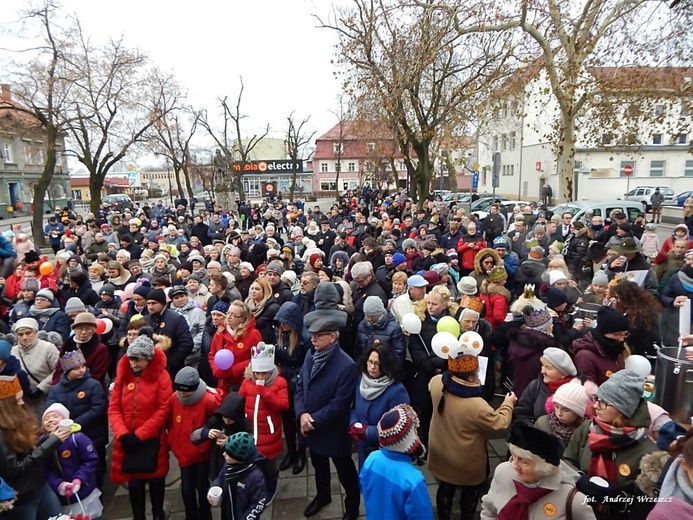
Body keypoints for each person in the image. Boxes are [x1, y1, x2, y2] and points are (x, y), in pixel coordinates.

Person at [428, 345, 516, 520]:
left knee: (445, 489)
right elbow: (500, 423)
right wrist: (508, 403)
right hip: (466, 462)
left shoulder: (437, 382)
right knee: (469, 495)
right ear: (471, 376)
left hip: (441, 452)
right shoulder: (477, 405)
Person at [564, 370, 658, 520]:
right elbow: (566, 462)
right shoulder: (587, 429)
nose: (596, 406)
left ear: (622, 409)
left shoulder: (649, 454)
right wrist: (580, 480)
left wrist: (618, 498)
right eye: (596, 399)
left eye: (604, 402)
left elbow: (645, 505)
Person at [295, 311, 360, 520]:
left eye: (318, 335)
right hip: (310, 428)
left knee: (345, 472)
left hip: (332, 431)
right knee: (318, 466)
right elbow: (300, 386)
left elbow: (339, 404)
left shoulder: (347, 365)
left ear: (332, 337)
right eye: (312, 335)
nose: (312, 339)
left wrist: (311, 421)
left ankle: (352, 506)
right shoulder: (310, 355)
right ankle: (323, 495)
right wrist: (302, 413)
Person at [108, 334, 172, 520]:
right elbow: (114, 408)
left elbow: (163, 409)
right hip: (128, 440)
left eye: (137, 359)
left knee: (155, 481)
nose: (133, 363)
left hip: (152, 440)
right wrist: (122, 434)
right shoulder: (123, 376)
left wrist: (140, 435)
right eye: (131, 359)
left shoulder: (161, 376)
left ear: (148, 359)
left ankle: (158, 514)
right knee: (134, 485)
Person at [481, 420, 596, 520]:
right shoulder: (503, 472)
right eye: (514, 457)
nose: (515, 466)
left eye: (524, 462)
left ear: (544, 468)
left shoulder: (573, 500)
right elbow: (489, 510)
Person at [0, 374, 70, 519]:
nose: (22, 403)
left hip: (40, 486)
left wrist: (50, 438)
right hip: (21, 499)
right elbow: (16, 469)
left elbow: (28, 450)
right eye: (18, 400)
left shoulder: (18, 421)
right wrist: (52, 442)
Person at [45, 349, 108, 487]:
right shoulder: (56, 390)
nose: (81, 370)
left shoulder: (93, 384)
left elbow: (98, 408)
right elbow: (50, 409)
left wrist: (76, 423)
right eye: (76, 368)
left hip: (91, 435)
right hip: (67, 439)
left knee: (94, 468)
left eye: (83, 367)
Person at [359, 404, 433, 520]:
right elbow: (422, 515)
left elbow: (365, 489)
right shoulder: (413, 480)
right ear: (409, 439)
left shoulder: (371, 459)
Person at [407, 285, 459, 447]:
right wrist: (431, 365)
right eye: (428, 302)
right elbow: (415, 348)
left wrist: (442, 364)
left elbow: (455, 349)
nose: (430, 306)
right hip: (424, 376)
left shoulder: (453, 322)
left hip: (447, 375)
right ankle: (428, 445)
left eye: (434, 304)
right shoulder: (420, 321)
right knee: (427, 413)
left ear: (444, 305)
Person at [168, 366, 223, 520]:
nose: (181, 394)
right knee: (186, 490)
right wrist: (172, 441)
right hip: (183, 453)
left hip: (201, 454)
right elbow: (170, 423)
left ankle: (206, 515)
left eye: (185, 391)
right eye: (179, 390)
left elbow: (219, 420)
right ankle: (190, 515)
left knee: (202, 486)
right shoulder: (174, 399)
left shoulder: (208, 400)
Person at [239, 342, 288, 505]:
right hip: (251, 432)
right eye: (257, 373)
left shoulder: (279, 383)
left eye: (264, 373)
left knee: (269, 467)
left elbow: (283, 405)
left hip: (269, 433)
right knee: (253, 466)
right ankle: (256, 490)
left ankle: (270, 489)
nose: (260, 377)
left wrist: (266, 393)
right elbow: (240, 401)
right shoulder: (247, 383)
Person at [349, 344, 410, 469]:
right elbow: (355, 406)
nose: (372, 367)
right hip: (363, 448)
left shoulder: (396, 391)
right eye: (370, 362)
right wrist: (353, 423)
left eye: (377, 364)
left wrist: (367, 432)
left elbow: (399, 427)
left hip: (385, 453)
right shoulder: (361, 380)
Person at [41, 403, 102, 518]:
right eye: (46, 419)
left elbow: (91, 460)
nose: (50, 420)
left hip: (84, 492)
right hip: (61, 498)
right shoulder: (42, 445)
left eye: (55, 416)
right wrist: (59, 484)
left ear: (65, 420)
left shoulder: (77, 438)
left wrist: (79, 478)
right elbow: (44, 470)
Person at [273, 301, 310, 475]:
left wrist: (288, 374)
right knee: (287, 421)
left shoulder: (304, 338)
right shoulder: (278, 334)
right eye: (280, 322)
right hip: (282, 385)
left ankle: (301, 452)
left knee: (298, 420)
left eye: (286, 322)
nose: (282, 325)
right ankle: (291, 451)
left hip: (297, 385)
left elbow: (306, 365)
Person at [208, 432, 267, 520]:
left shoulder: (255, 477)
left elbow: (259, 503)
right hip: (227, 513)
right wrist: (214, 487)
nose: (224, 454)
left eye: (228, 454)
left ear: (239, 459)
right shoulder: (229, 464)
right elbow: (220, 478)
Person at [209, 300, 262, 394]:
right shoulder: (220, 331)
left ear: (242, 319)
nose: (228, 316)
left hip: (242, 383)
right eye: (228, 313)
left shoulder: (253, 334)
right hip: (223, 383)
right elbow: (212, 354)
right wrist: (216, 370)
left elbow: (257, 358)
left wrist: (234, 370)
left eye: (233, 315)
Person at [513, 347, 578, 422]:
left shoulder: (576, 392)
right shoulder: (535, 386)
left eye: (548, 367)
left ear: (563, 373)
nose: (542, 371)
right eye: (542, 365)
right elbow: (520, 413)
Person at [571, 306, 629, 386]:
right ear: (603, 332)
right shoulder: (585, 356)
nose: (621, 339)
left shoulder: (616, 349)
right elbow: (588, 390)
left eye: (625, 334)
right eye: (617, 334)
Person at [11, 317, 60, 411]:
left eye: (28, 333)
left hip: (46, 396)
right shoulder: (13, 351)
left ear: (35, 333)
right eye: (20, 334)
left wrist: (41, 388)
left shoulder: (48, 348)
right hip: (23, 399)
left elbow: (58, 370)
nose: (24, 337)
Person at [145, 288, 194, 379]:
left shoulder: (176, 319)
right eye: (148, 303)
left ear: (163, 303)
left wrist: (172, 361)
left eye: (154, 303)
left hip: (171, 370)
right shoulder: (145, 320)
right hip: (149, 369)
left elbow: (187, 343)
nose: (150, 307)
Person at [355, 296, 406, 362]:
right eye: (367, 316)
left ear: (380, 313)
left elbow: (399, 353)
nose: (369, 319)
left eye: (373, 316)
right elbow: (358, 350)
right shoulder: (362, 326)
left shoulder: (394, 329)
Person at [245, 277, 280, 344]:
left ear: (265, 291)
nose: (253, 291)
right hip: (248, 342)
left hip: (265, 344)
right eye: (252, 288)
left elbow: (277, 330)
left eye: (257, 289)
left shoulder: (273, 308)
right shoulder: (246, 304)